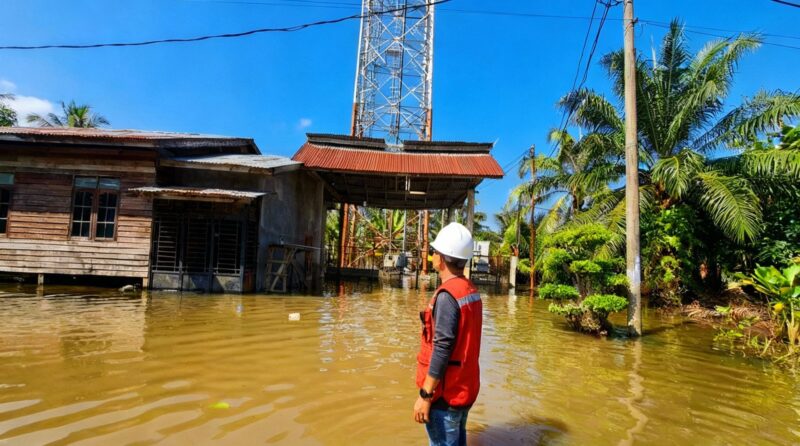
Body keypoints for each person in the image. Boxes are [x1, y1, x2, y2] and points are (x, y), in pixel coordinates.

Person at [413, 222, 483, 446]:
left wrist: (425, 396)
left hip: (446, 396)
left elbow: (442, 349)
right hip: (464, 388)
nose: (432, 255)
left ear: (441, 258)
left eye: (435, 251)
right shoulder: (470, 290)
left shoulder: (447, 296)